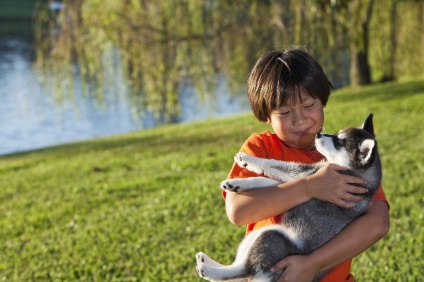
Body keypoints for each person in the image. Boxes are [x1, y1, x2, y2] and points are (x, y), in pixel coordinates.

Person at [223, 48, 390, 282]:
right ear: (267, 115)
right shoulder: (261, 148)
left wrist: (312, 265)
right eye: (285, 111)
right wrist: (310, 187)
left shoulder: (345, 158)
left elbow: (378, 223)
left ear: (322, 101)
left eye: (309, 105)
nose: (299, 119)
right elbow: (238, 211)